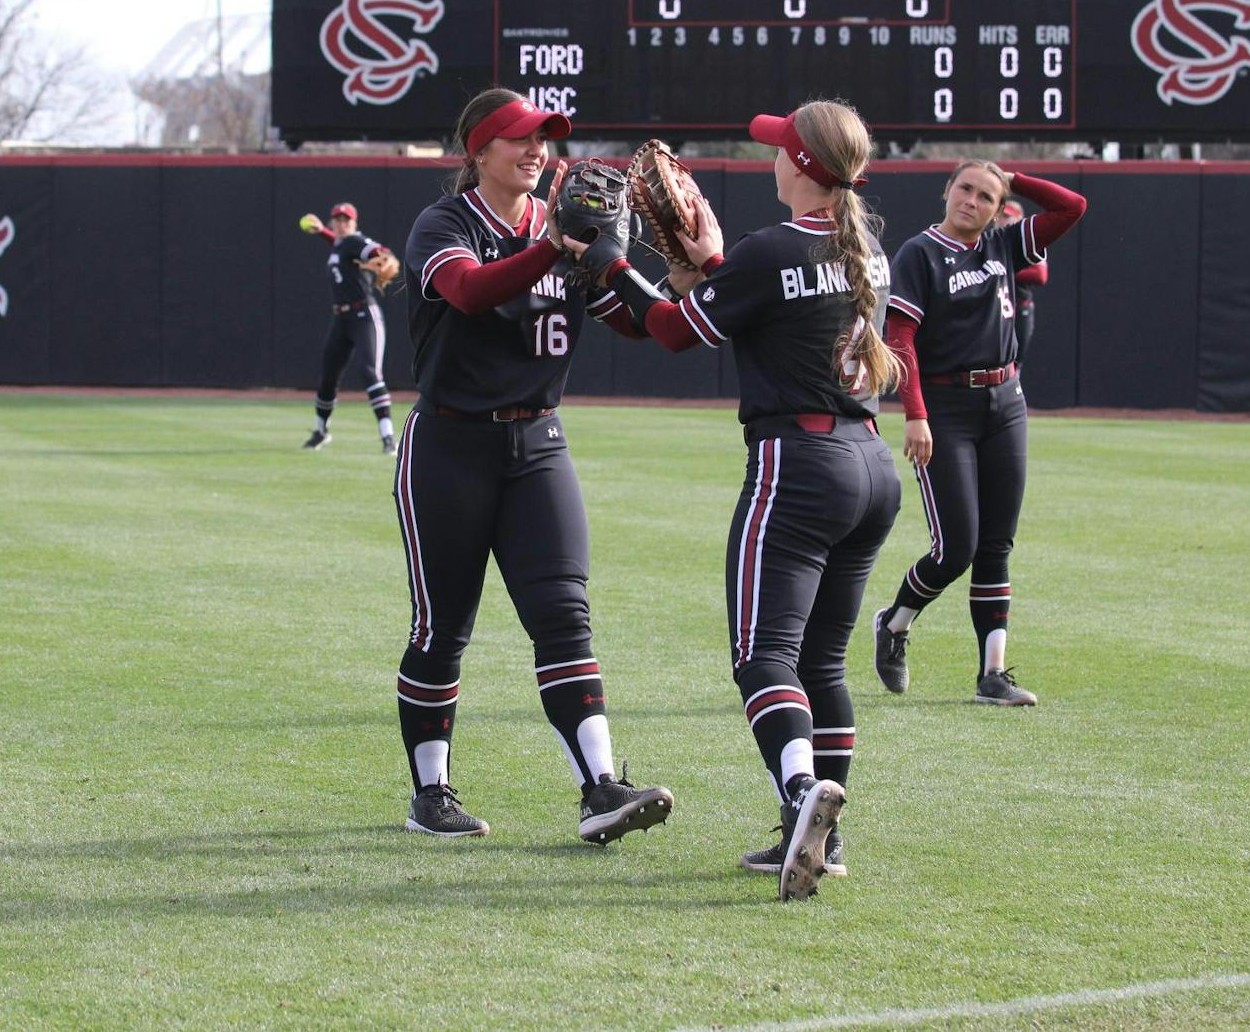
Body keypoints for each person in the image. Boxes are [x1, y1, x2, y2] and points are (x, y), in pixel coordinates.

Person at [602, 100, 902, 900]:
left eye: (779, 150)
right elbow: (764, 304)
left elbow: (669, 330)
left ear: (803, 166)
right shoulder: (868, 248)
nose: (770, 157)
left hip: (800, 462)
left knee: (763, 656)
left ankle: (803, 797)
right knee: (822, 661)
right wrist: (707, 262)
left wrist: (608, 264)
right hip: (870, 462)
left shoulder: (771, 249)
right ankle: (822, 838)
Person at [393, 88, 672, 843]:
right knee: (443, 626)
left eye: (543, 138)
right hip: (450, 444)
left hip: (537, 444)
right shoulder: (446, 223)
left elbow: (639, 323)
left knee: (563, 615)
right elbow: (470, 289)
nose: (536, 149)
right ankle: (431, 792)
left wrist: (676, 267)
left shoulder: (572, 232)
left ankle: (600, 785)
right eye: (518, 137)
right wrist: (556, 242)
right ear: (479, 150)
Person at [871, 160, 1087, 705]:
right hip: (946, 407)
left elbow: (1072, 207)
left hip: (1006, 401)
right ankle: (895, 624)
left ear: (997, 208)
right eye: (965, 188)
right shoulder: (920, 253)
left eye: (986, 196)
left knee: (996, 544)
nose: (972, 200)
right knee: (956, 548)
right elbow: (900, 337)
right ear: (947, 191)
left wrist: (1014, 179)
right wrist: (915, 413)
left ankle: (992, 675)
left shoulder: (1004, 245)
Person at [299, 202, 399, 454]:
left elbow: (377, 250)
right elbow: (338, 244)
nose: (342, 224)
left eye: (347, 220)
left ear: (354, 223)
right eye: (338, 219)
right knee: (328, 377)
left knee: (369, 373)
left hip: (364, 314)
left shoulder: (354, 241)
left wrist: (383, 256)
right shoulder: (340, 243)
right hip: (341, 318)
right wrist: (322, 231)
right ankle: (321, 431)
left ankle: (388, 436)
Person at [997, 200, 1049, 372]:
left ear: (1020, 218)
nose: (1004, 220)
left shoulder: (1028, 242)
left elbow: (1040, 275)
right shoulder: (988, 241)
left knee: (1015, 362)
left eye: (1009, 217)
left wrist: (1002, 271)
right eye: (1001, 216)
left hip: (1020, 307)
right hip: (992, 311)